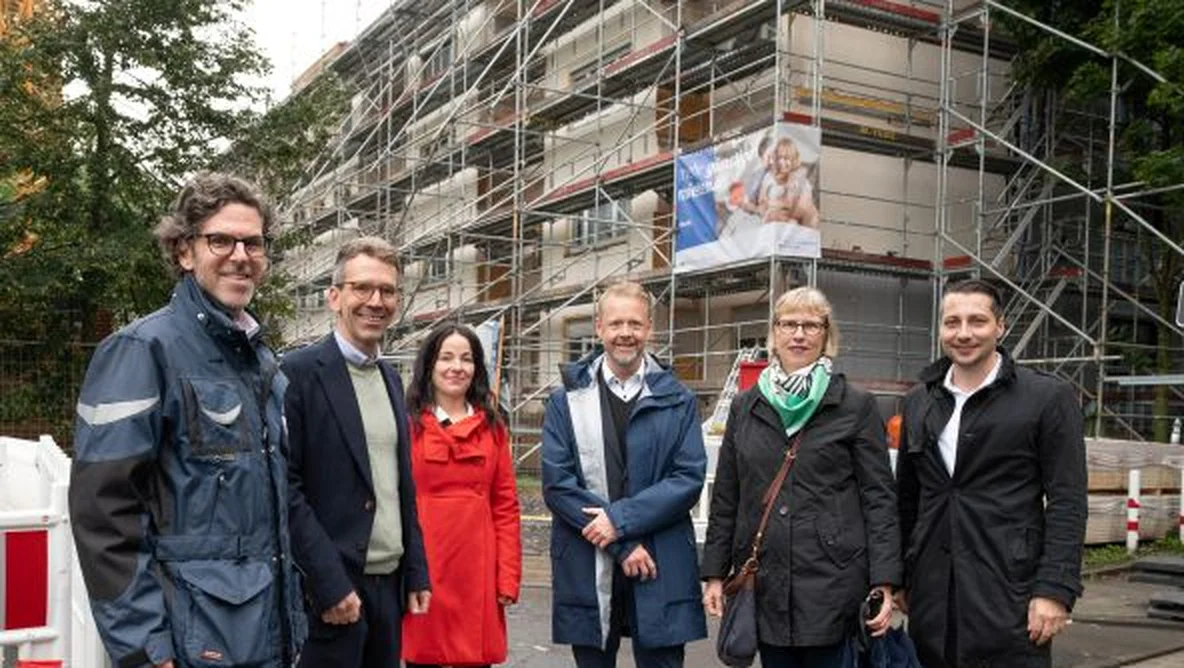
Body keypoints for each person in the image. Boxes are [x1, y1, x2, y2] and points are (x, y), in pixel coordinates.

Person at [69, 173, 306, 667]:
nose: (241, 255)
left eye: (254, 242)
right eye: (221, 239)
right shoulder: (141, 350)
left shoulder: (263, 364)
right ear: (183, 251)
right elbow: (103, 514)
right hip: (187, 647)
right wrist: (144, 650)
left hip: (265, 642)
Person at [701, 286, 900, 667]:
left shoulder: (854, 405)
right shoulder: (747, 405)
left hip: (835, 582)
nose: (799, 334)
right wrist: (713, 573)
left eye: (811, 325)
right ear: (774, 333)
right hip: (766, 581)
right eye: (789, 324)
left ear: (827, 334)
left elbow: (879, 498)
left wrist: (885, 581)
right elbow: (728, 495)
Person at [896, 279, 1088, 668]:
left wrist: (1055, 590)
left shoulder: (1046, 398)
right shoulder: (919, 401)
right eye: (952, 322)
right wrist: (900, 574)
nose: (963, 333)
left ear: (1000, 327)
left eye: (977, 321)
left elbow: (1068, 501)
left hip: (1010, 595)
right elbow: (906, 498)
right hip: (932, 598)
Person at [542, 279, 708, 668]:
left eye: (635, 324)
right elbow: (558, 484)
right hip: (589, 560)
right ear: (599, 327)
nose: (625, 334)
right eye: (616, 324)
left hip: (660, 560)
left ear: (649, 328)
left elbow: (687, 479)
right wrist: (620, 544)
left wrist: (618, 520)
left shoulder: (678, 399)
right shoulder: (565, 400)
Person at [282, 236, 431, 668]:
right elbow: (286, 489)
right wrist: (328, 584)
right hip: (331, 591)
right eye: (362, 288)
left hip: (389, 588)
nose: (375, 301)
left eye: (387, 291)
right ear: (334, 297)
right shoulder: (298, 373)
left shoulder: (389, 377)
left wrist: (416, 568)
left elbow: (399, 483)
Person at [402, 323, 522, 667]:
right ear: (429, 365)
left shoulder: (494, 428)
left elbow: (505, 507)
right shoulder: (407, 425)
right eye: (446, 357)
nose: (457, 367)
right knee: (421, 658)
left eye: (467, 359)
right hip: (423, 566)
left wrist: (507, 576)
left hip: (477, 570)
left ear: (477, 368)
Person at [759, 137, 819, 228]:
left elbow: (805, 208)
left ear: (794, 159)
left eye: (787, 158)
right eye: (779, 158)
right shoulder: (768, 178)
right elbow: (762, 202)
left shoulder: (800, 180)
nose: (783, 162)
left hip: (799, 222)